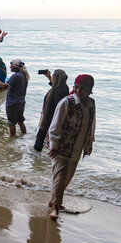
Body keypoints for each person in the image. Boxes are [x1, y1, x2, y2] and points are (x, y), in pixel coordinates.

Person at [47, 75, 96, 220]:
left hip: (77, 147)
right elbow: (55, 126)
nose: (79, 91)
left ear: (90, 90)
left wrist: (89, 144)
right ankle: (55, 208)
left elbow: (91, 126)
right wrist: (54, 146)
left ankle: (53, 201)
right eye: (76, 87)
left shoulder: (91, 104)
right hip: (62, 147)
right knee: (60, 177)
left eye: (83, 88)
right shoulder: (67, 102)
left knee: (68, 177)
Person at [0, 59, 29, 135]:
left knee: (11, 123)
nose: (10, 67)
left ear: (16, 67)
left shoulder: (15, 76)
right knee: (21, 121)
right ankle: (24, 137)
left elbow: (3, 86)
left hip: (12, 103)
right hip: (21, 102)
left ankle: (12, 140)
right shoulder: (24, 76)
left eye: (11, 65)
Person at [34, 69, 69, 152]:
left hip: (50, 118)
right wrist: (48, 77)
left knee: (41, 138)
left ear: (56, 78)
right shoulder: (63, 87)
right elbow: (54, 86)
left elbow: (58, 107)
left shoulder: (59, 91)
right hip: (51, 118)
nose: (52, 78)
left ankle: (36, 157)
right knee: (44, 137)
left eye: (53, 76)